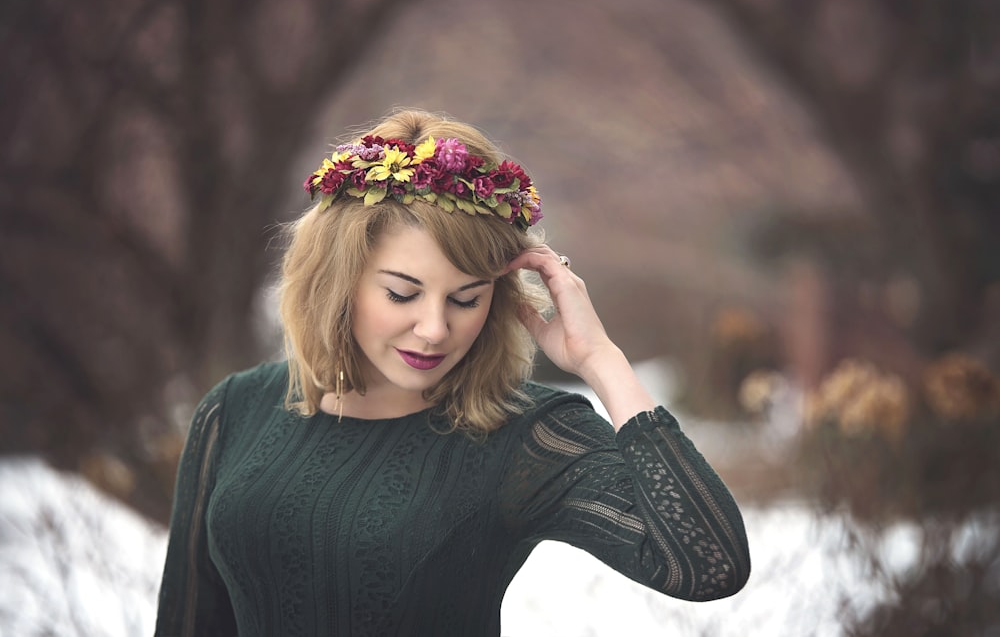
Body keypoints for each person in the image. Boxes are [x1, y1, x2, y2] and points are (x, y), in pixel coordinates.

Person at [154, 109, 751, 636]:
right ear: (338, 283)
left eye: (466, 299)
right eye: (402, 293)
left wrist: (602, 361)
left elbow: (710, 564)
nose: (435, 329)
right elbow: (188, 621)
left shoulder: (525, 437)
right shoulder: (235, 411)